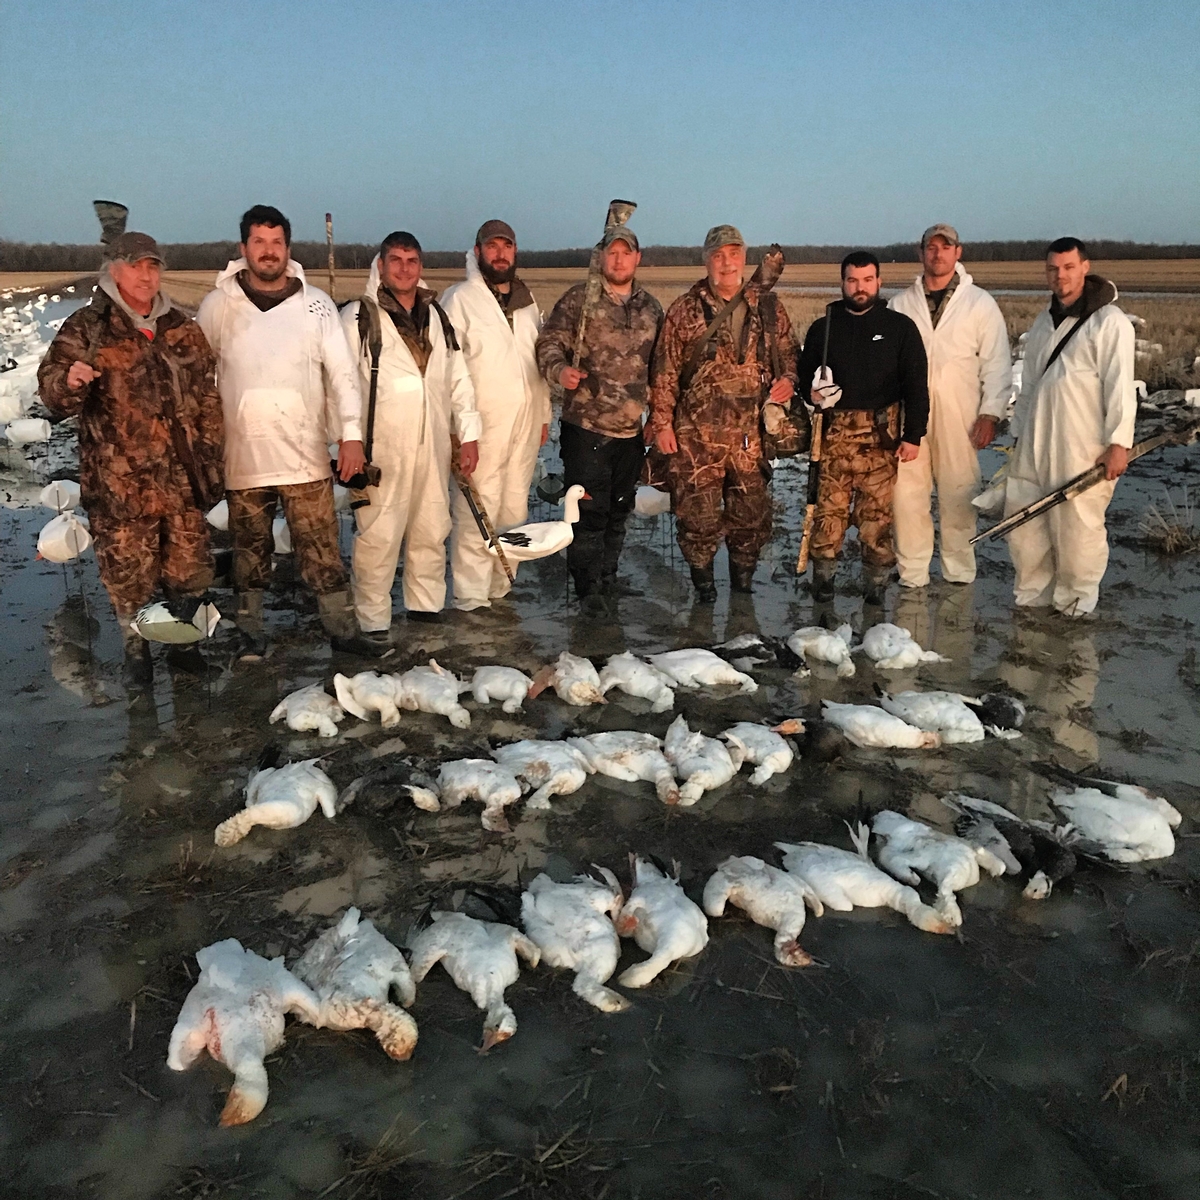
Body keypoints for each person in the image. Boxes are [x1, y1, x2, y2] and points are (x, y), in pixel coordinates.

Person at [197, 205, 386, 658]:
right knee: (249, 550)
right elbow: (198, 377)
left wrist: (351, 436)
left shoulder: (316, 304)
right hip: (244, 457)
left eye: (276, 242)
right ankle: (250, 633)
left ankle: (342, 631)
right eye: (259, 242)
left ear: (288, 248)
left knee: (321, 548)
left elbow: (342, 376)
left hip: (304, 454)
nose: (268, 251)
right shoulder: (218, 305)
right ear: (243, 248)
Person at [38, 232, 224, 679]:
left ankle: (185, 650)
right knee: (129, 577)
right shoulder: (88, 327)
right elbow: (51, 395)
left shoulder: (182, 327)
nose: (146, 275)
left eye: (153, 266)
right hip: (121, 487)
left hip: (181, 484)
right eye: (137, 266)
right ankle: (137, 654)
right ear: (115, 270)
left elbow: (206, 400)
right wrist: (70, 381)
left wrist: (212, 464)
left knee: (190, 571)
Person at [646, 224, 797, 602]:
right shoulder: (685, 309)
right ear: (706, 260)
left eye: (733, 254)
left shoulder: (769, 306)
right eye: (717, 255)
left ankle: (742, 586)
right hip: (695, 437)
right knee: (697, 518)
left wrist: (789, 380)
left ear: (744, 259)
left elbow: (790, 354)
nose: (726, 263)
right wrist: (663, 423)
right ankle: (704, 589)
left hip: (751, 437)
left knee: (751, 516)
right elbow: (664, 371)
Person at [339, 231, 481, 631]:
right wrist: (347, 439)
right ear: (381, 265)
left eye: (412, 260)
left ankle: (425, 611)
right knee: (378, 539)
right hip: (383, 448)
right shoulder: (358, 318)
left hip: (433, 444)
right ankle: (373, 623)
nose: (404, 268)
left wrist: (467, 432)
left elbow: (458, 378)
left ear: (421, 267)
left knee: (431, 529)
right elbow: (341, 384)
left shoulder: (437, 316)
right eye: (396, 260)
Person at [535, 225, 663, 616]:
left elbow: (662, 367)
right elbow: (549, 342)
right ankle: (587, 587)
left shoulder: (651, 308)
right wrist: (559, 371)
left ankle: (608, 576)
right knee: (588, 512)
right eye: (613, 253)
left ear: (637, 258)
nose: (619, 259)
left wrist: (658, 416)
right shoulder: (581, 300)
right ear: (602, 257)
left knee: (619, 510)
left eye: (627, 253)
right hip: (587, 427)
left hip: (630, 431)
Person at [1003, 237, 1135, 616]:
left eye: (1068, 267)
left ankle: (1075, 613)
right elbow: (1028, 387)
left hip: (1081, 450)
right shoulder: (1043, 323)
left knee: (1077, 535)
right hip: (1033, 447)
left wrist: (1118, 442)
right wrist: (1017, 438)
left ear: (1085, 267)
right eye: (1053, 268)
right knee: (1026, 532)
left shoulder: (1109, 323)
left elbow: (1121, 387)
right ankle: (1031, 606)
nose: (1060, 275)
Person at [796, 251, 929, 604]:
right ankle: (823, 589)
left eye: (867, 280)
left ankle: (876, 594)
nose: (860, 287)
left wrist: (913, 435)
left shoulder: (900, 328)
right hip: (833, 439)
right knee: (829, 517)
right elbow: (802, 377)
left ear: (879, 282)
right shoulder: (823, 328)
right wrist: (809, 392)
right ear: (842, 282)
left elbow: (916, 386)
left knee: (876, 521)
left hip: (880, 441)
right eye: (853, 280)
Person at [888, 224, 1012, 587]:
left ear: (958, 252)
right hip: (909, 420)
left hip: (961, 417)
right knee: (907, 497)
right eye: (931, 247)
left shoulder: (979, 304)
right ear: (921, 252)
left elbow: (997, 364)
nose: (937, 253)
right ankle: (912, 576)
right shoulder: (901, 304)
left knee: (960, 495)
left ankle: (959, 575)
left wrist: (991, 413)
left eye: (946, 246)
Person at [440, 220, 550, 611]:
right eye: (493, 247)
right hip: (481, 426)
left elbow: (536, 361)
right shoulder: (460, 300)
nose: (500, 254)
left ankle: (500, 588)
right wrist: (462, 430)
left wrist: (542, 414)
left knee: (514, 509)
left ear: (515, 252)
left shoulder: (526, 301)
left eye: (507, 246)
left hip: (522, 425)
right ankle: (470, 598)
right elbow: (452, 371)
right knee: (476, 511)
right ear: (478, 250)